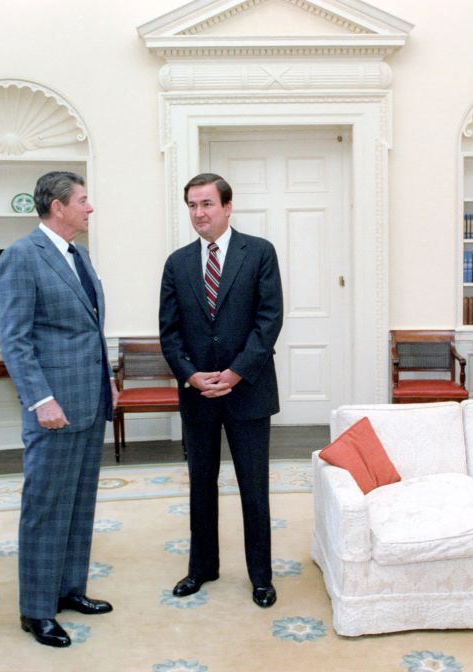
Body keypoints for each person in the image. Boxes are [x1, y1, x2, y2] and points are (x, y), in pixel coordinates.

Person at [0, 171, 118, 648]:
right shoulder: (22, 256)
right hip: (54, 407)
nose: (91, 208)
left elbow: (87, 330)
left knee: (80, 502)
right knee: (46, 508)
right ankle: (37, 610)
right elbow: (15, 339)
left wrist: (106, 381)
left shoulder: (80, 255)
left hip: (89, 403)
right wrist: (40, 400)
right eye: (84, 200)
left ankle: (70, 589)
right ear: (57, 205)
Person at [158, 172, 284, 608]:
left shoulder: (260, 253)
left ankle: (261, 577)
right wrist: (191, 375)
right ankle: (201, 568)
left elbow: (269, 321)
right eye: (192, 205)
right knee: (200, 485)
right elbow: (169, 332)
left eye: (207, 204)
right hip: (198, 394)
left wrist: (235, 373)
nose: (199, 213)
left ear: (228, 207)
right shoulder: (176, 263)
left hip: (247, 391)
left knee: (253, 486)